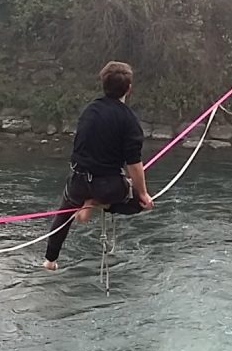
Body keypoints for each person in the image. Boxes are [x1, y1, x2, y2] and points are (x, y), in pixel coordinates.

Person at [43, 61, 154, 271]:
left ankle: (50, 260)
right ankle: (96, 202)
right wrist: (144, 194)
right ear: (129, 89)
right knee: (141, 204)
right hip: (108, 187)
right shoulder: (129, 120)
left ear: (103, 84)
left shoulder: (89, 110)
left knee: (64, 212)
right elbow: (134, 164)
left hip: (78, 180)